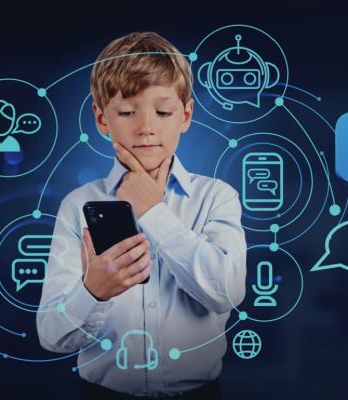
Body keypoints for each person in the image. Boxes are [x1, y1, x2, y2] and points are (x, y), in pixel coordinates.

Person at [37, 31, 246, 399]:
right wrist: (93, 291)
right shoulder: (77, 206)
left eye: (163, 112)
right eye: (127, 112)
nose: (146, 127)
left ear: (186, 115)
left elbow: (226, 293)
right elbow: (51, 336)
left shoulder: (216, 197)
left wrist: (153, 210)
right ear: (102, 118)